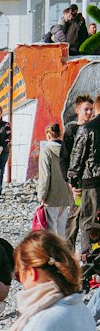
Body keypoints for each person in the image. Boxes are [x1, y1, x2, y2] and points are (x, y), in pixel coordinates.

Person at [66, 93, 100, 254]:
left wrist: (74, 182)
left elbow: (77, 159)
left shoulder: (89, 129)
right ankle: (70, 250)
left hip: (88, 183)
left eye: (91, 109)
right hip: (82, 184)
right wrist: (72, 183)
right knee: (75, 216)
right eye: (86, 109)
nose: (89, 112)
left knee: (89, 220)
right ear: (78, 111)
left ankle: (89, 255)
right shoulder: (71, 131)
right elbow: (66, 159)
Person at [37, 122, 73, 239]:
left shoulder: (47, 150)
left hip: (51, 195)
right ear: (59, 134)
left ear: (48, 135)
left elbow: (45, 175)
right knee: (62, 227)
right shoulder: (67, 150)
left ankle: (53, 253)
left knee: (51, 227)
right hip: (65, 194)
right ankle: (63, 251)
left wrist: (42, 194)